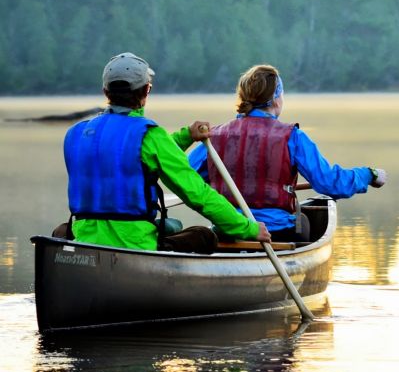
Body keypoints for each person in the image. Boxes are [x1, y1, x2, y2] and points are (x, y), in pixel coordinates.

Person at [54, 52, 271, 253]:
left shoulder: (75, 134)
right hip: (135, 245)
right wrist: (248, 229)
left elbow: (129, 157)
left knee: (62, 232)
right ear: (146, 91)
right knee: (204, 236)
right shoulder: (150, 136)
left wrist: (186, 136)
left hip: (84, 239)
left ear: (105, 92)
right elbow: (198, 195)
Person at [188, 64, 387, 242]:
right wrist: (369, 175)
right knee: (304, 223)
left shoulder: (214, 136)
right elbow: (329, 183)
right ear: (276, 98)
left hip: (226, 232)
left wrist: (218, 182)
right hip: (276, 233)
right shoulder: (292, 137)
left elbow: (186, 178)